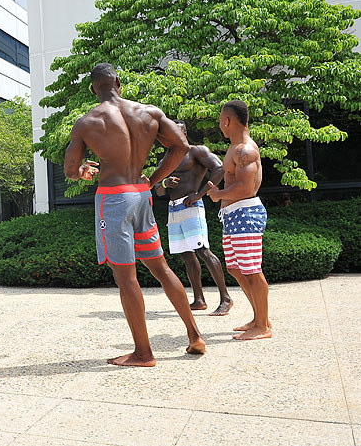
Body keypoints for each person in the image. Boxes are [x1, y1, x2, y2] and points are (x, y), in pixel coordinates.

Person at [64, 63, 205, 367]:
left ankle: (143, 353)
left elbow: (70, 170)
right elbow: (181, 146)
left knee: (126, 277)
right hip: (141, 195)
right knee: (161, 268)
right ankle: (195, 335)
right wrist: (153, 180)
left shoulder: (87, 122)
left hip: (113, 199)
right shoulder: (149, 112)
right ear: (118, 82)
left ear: (93, 89)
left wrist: (82, 171)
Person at [204, 100, 271, 340]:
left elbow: (245, 188)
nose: (219, 125)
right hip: (233, 215)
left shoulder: (245, 150)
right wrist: (221, 196)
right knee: (235, 268)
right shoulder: (235, 148)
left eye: (220, 121)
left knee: (252, 270)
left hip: (245, 213)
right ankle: (259, 317)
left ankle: (263, 326)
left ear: (226, 121)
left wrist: (218, 194)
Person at [153, 120, 233, 315]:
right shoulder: (166, 159)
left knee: (203, 250)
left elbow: (220, 168)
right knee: (186, 255)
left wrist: (200, 194)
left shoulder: (196, 151)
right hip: (174, 209)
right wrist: (165, 183)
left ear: (185, 133)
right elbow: (158, 190)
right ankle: (199, 300)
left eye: (178, 132)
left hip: (191, 206)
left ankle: (226, 298)